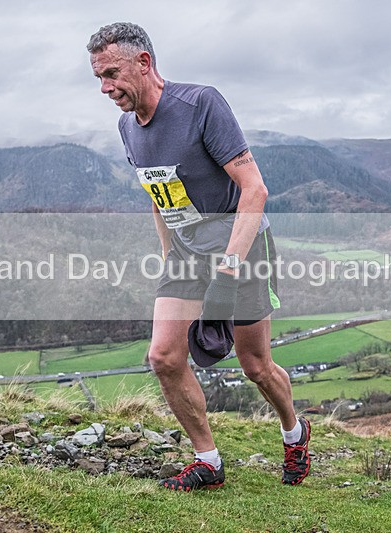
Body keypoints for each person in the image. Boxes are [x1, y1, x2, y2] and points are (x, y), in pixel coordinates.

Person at [87, 22, 310, 490]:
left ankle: (294, 431)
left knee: (256, 367)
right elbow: (157, 195)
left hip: (242, 248)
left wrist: (229, 269)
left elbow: (255, 189)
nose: (107, 88)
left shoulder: (200, 104)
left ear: (144, 63)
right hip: (187, 253)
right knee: (165, 356)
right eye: (99, 79)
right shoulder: (127, 125)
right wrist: (171, 255)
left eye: (112, 74)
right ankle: (208, 461)